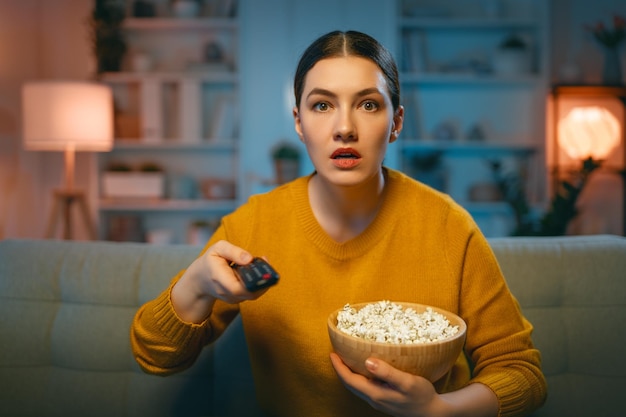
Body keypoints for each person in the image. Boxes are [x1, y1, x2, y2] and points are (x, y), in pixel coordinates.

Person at [131, 30, 547, 417]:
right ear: (298, 121)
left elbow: (522, 374)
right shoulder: (252, 225)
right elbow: (155, 356)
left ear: (396, 122)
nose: (344, 128)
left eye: (368, 105)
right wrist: (196, 285)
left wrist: (439, 411)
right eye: (322, 105)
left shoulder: (448, 226)